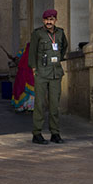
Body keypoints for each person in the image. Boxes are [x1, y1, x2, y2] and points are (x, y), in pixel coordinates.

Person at [28, 9, 68, 144]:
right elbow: (32, 51)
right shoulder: (38, 33)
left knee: (54, 105)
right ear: (43, 21)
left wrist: (58, 59)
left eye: (51, 19)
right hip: (41, 73)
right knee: (39, 104)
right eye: (46, 19)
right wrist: (34, 68)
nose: (49, 22)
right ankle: (37, 133)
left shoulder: (61, 33)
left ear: (55, 20)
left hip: (56, 73)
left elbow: (63, 49)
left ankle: (55, 133)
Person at [11, 42, 35, 112]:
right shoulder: (34, 52)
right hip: (29, 74)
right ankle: (30, 107)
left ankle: (22, 106)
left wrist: (14, 59)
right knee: (31, 90)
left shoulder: (23, 50)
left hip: (22, 73)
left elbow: (17, 58)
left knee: (21, 89)